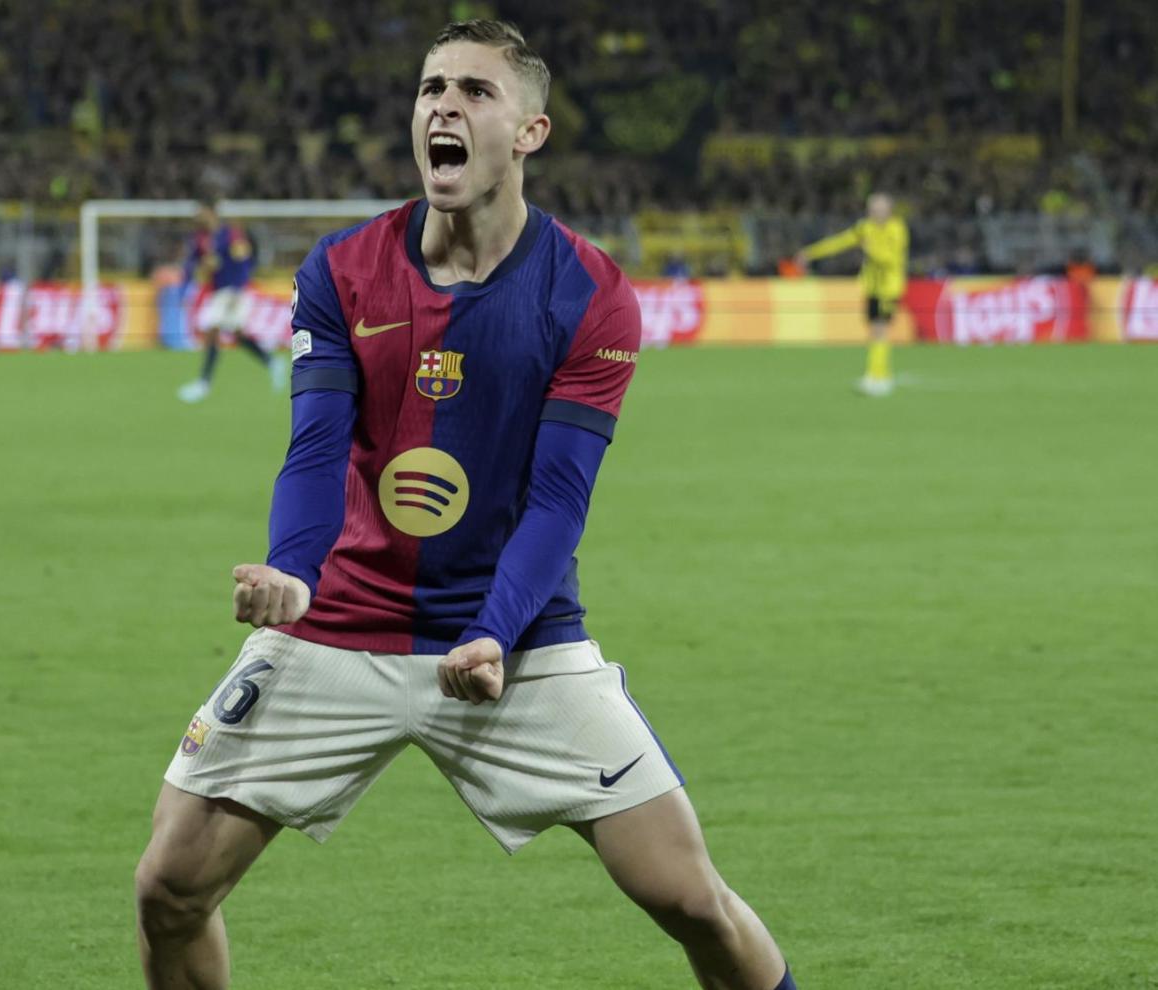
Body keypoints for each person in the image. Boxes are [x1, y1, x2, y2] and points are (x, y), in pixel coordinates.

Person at [136, 20, 796, 990]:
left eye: (474, 91)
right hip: (340, 621)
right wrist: (293, 571)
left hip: (516, 639)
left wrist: (493, 630)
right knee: (168, 887)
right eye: (430, 88)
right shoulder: (341, 270)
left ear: (529, 131)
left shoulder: (589, 294)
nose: (442, 105)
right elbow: (315, 451)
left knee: (691, 898)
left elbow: (558, 496)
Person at [795, 193, 909, 397]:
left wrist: (870, 248)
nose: (874, 212)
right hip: (872, 287)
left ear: (889, 210)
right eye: (872, 208)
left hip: (889, 287)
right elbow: (840, 242)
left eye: (879, 208)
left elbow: (891, 259)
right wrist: (810, 253)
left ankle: (879, 377)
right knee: (874, 329)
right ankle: (877, 374)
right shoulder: (865, 227)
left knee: (880, 329)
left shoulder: (896, 229)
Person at [175, 200, 286, 402]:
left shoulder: (230, 234)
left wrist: (238, 287)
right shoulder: (200, 238)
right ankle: (272, 361)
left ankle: (203, 383)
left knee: (212, 330)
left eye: (201, 213)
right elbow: (191, 265)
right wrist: (185, 290)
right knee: (236, 335)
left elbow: (244, 260)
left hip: (234, 291)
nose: (198, 218)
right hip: (219, 291)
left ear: (211, 212)